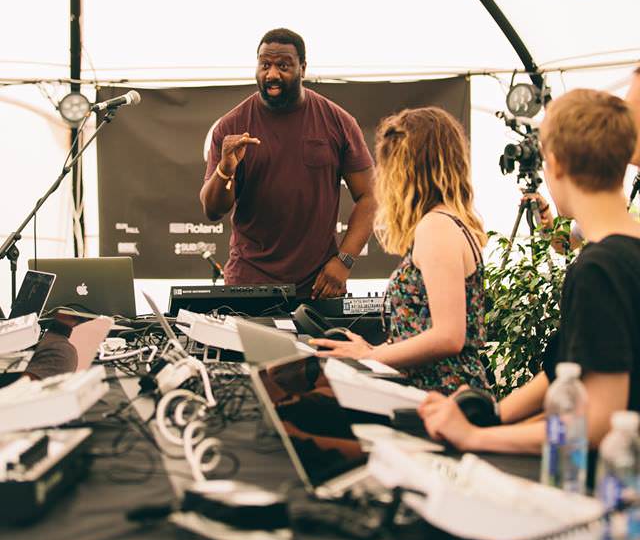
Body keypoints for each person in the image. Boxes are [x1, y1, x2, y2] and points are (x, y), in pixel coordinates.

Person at [420, 88, 640, 453]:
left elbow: (599, 424)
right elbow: (565, 368)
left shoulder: (599, 269)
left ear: (555, 164)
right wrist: (491, 414)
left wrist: (476, 436)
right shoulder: (623, 251)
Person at [312, 106, 492, 395]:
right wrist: (370, 349)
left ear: (411, 165)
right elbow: (421, 332)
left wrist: (368, 357)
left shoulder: (437, 227)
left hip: (444, 398)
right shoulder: (444, 222)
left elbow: (449, 336)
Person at [200, 28, 375, 298]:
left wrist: (344, 261)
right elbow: (212, 210)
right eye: (265, 64)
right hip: (249, 282)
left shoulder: (338, 121)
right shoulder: (231, 126)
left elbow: (370, 197)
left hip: (319, 285)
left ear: (303, 69)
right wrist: (225, 169)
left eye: (283, 66)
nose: (272, 74)